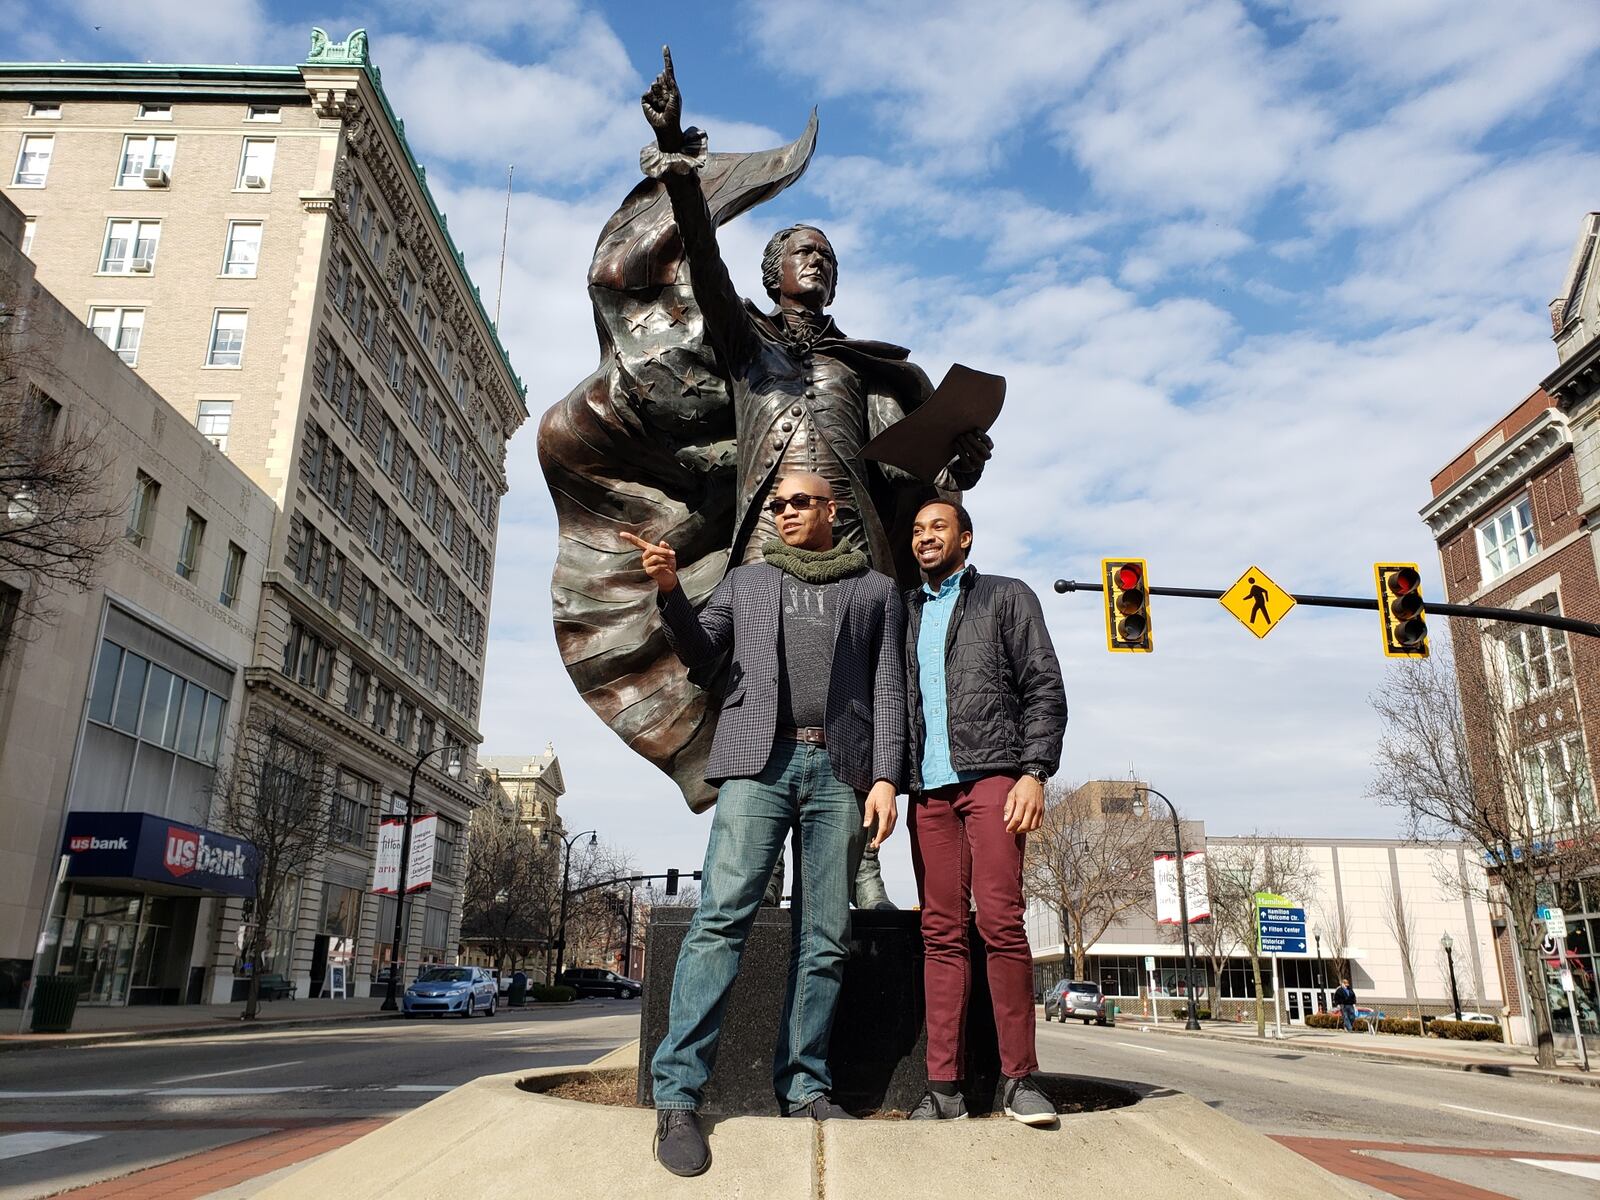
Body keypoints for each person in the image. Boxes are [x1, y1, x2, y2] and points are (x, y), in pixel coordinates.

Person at [622, 471, 906, 1177]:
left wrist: (885, 778)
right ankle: (679, 1095)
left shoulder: (873, 591)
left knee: (827, 936)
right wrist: (669, 592)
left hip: (839, 768)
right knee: (721, 919)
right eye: (777, 504)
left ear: (830, 510)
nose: (783, 512)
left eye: (798, 502)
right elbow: (702, 652)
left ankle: (805, 1085)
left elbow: (889, 688)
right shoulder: (748, 583)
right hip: (758, 763)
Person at [901, 499, 1067, 1126]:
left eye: (938, 527)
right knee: (940, 935)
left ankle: (1020, 1080)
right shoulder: (905, 611)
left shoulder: (1006, 596)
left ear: (965, 539)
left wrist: (1035, 771)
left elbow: (1043, 685)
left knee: (1001, 924)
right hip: (929, 793)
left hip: (996, 777)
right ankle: (943, 1089)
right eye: (917, 531)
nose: (925, 538)